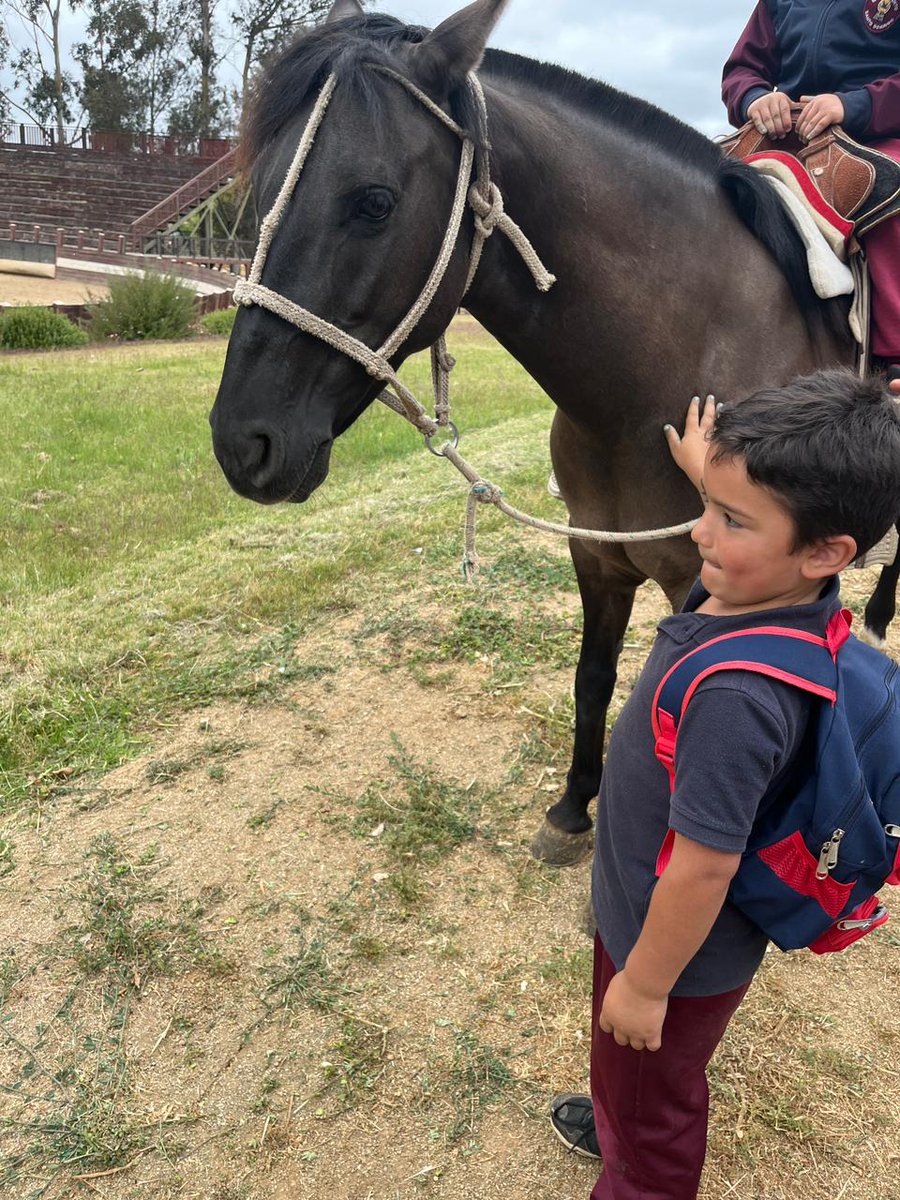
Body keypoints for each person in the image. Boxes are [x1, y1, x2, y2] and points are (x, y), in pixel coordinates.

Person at [548, 369, 900, 1199]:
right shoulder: (761, 588)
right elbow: (734, 533)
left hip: (669, 949)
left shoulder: (741, 698)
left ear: (826, 552)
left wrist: (644, 983)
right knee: (631, 1076)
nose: (700, 535)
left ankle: (637, 1170)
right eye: (711, 506)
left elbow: (703, 867)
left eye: (730, 520)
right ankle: (616, 1118)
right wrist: (716, 478)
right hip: (645, 921)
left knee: (655, 1104)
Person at [721, 0, 900, 376]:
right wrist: (756, 98)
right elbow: (743, 70)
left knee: (891, 201)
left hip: (877, 132)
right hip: (786, 134)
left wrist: (855, 104)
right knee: (706, 189)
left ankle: (892, 363)